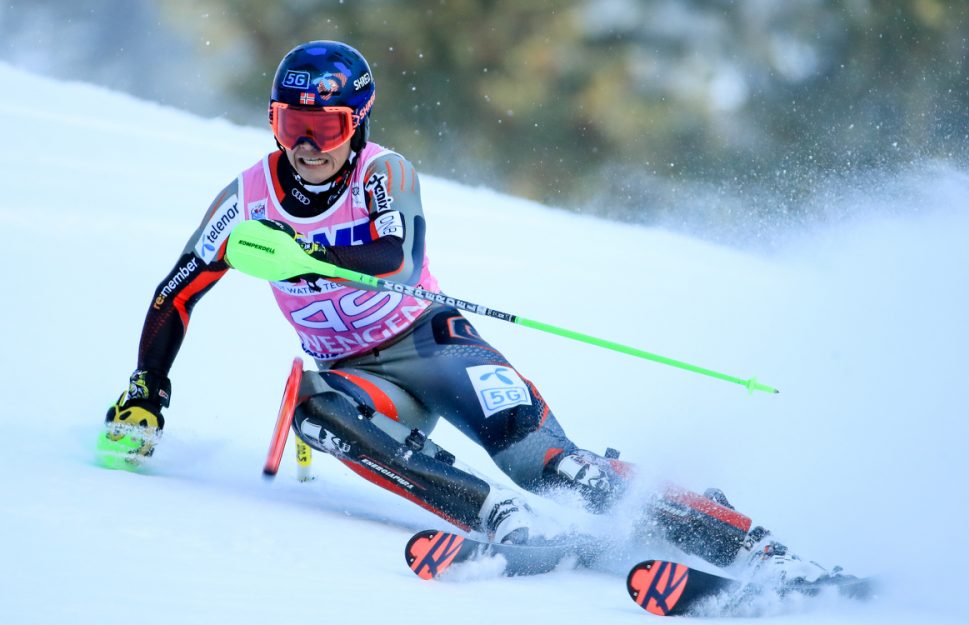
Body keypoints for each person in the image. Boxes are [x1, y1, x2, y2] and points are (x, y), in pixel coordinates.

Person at [100, 40, 835, 586]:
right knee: (313, 407)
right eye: (289, 122)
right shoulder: (248, 198)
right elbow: (178, 289)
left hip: (434, 343)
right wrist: (146, 391)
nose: (304, 145)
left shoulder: (384, 172)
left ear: (355, 123)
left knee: (553, 465)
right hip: (360, 376)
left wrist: (303, 252)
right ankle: (498, 518)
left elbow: (393, 255)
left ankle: (749, 544)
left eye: (323, 128)